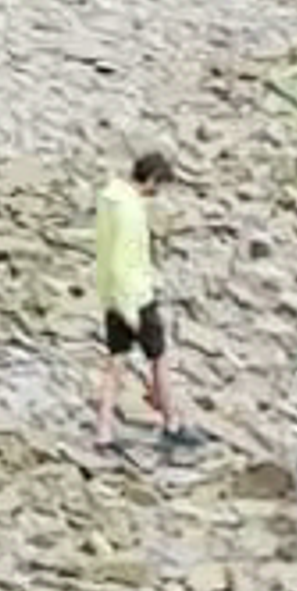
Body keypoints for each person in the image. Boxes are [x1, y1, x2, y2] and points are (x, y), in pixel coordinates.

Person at [91, 151, 196, 446]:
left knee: (116, 363)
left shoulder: (109, 200)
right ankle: (172, 423)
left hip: (112, 295)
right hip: (136, 296)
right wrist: (132, 312)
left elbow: (107, 255)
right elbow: (124, 261)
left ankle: (104, 431)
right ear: (150, 180)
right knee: (159, 358)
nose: (156, 193)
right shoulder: (130, 210)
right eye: (157, 186)